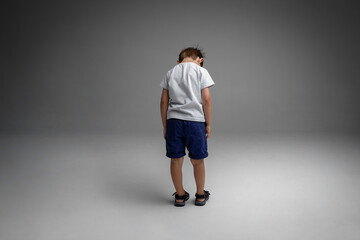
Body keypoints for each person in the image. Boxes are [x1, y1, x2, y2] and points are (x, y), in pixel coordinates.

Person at [160, 47, 215, 206]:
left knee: (176, 160)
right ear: (200, 60)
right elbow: (206, 100)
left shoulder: (170, 72)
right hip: (196, 122)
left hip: (174, 121)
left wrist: (165, 126)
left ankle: (179, 195)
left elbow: (163, 102)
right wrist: (209, 124)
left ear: (179, 61)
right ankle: (200, 195)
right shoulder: (201, 72)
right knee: (198, 160)